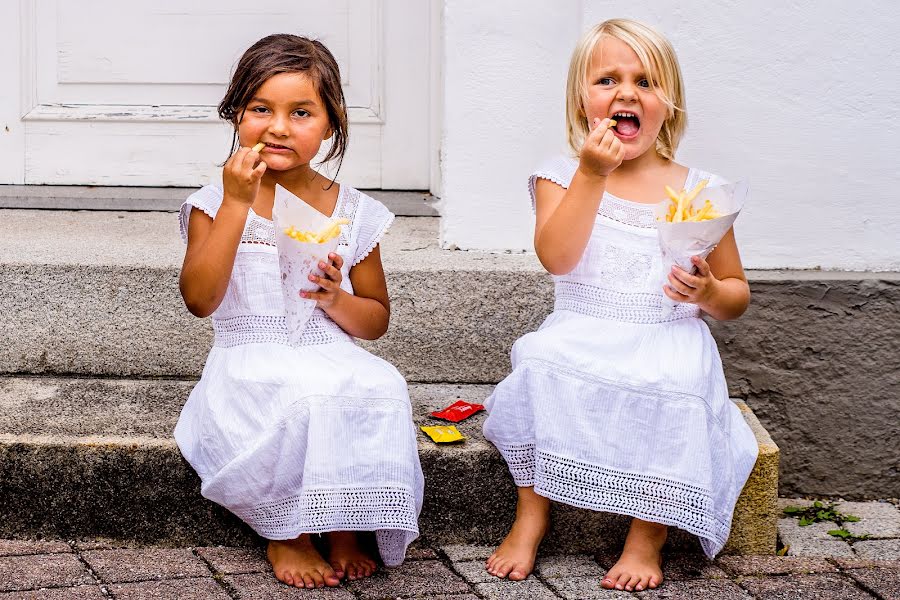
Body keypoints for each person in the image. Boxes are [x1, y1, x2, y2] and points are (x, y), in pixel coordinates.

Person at [482, 18, 758, 592]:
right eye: (607, 79)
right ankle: (532, 514)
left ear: (669, 105)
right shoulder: (562, 175)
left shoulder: (699, 192)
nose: (626, 92)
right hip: (582, 327)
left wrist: (708, 292)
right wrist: (591, 173)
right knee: (539, 360)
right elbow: (557, 258)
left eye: (646, 81)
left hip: (665, 333)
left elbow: (737, 294)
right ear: (581, 100)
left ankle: (646, 534)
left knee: (676, 384)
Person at [174, 34, 423, 589]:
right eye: (261, 108)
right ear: (236, 113)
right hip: (248, 356)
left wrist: (336, 298)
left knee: (379, 385)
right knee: (300, 397)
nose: (279, 126)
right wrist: (237, 203)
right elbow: (199, 299)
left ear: (331, 124)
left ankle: (344, 521)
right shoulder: (214, 201)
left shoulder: (354, 212)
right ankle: (288, 531)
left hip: (325, 347)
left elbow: (376, 321)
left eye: (301, 112)